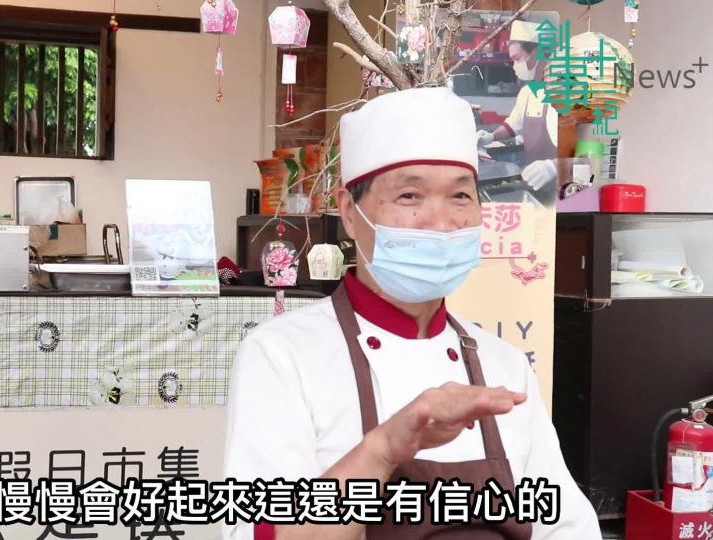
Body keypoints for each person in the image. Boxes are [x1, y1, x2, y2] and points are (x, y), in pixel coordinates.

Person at [223, 88, 601, 540]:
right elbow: (262, 531)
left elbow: (566, 527)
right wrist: (382, 450)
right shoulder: (283, 355)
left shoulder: (505, 366)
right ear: (349, 211)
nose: (440, 223)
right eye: (409, 195)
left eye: (460, 196)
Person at [477, 20, 559, 193]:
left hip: (560, 187)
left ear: (537, 54)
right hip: (534, 183)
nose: (515, 66)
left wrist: (552, 167)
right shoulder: (527, 93)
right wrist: (491, 136)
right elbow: (513, 125)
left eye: (517, 59)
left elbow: (581, 154)